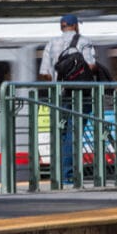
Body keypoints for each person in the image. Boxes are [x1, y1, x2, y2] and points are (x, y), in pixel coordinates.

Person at [40, 13, 98, 185]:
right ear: (76, 26)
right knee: (74, 133)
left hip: (60, 95)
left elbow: (44, 73)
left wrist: (58, 83)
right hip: (81, 95)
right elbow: (91, 66)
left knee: (62, 132)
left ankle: (59, 173)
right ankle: (67, 175)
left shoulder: (51, 43)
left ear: (62, 26)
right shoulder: (84, 41)